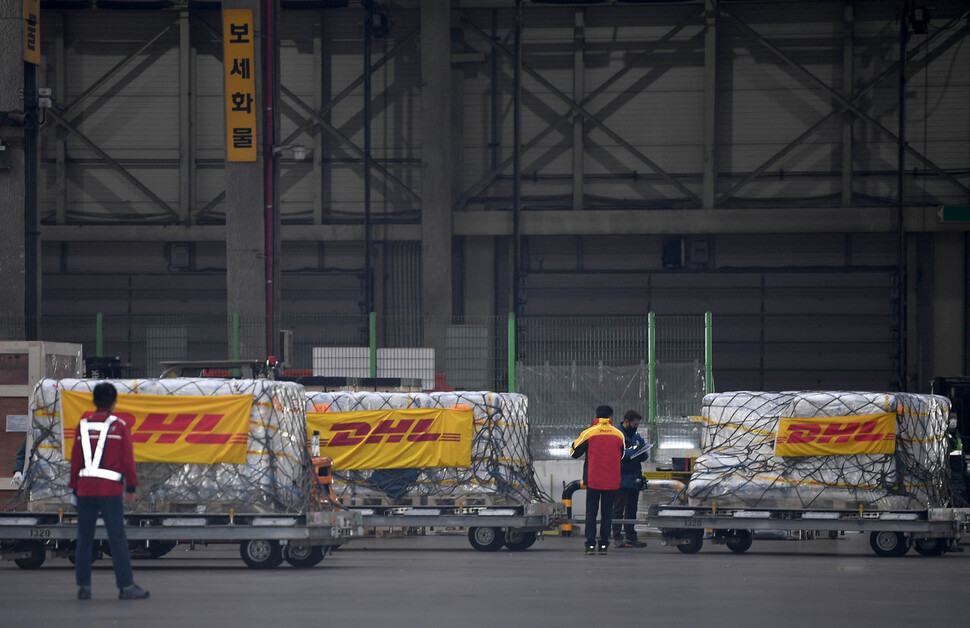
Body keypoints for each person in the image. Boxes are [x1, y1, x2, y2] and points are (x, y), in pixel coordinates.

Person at [68, 382, 149, 600]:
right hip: (110, 491)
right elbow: (127, 460)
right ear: (114, 402)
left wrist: (74, 487)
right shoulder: (120, 426)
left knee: (84, 539)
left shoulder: (82, 425)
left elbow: (75, 459)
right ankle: (126, 586)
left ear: (94, 401)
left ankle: (83, 587)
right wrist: (131, 487)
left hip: (85, 490)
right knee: (117, 538)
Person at [570, 405, 624, 555]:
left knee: (591, 513)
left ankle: (590, 545)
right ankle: (604, 545)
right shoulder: (618, 434)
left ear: (597, 416)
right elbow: (622, 456)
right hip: (612, 480)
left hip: (593, 480)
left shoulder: (589, 433)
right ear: (610, 417)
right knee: (607, 514)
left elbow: (574, 452)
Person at [612, 410, 649, 548]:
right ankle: (617, 536)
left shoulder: (637, 437)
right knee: (618, 509)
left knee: (631, 509)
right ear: (627, 421)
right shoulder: (616, 435)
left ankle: (631, 536)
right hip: (620, 477)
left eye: (638, 424)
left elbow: (644, 456)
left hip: (634, 478)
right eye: (634, 424)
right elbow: (619, 454)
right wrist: (633, 451)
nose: (636, 426)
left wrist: (641, 451)